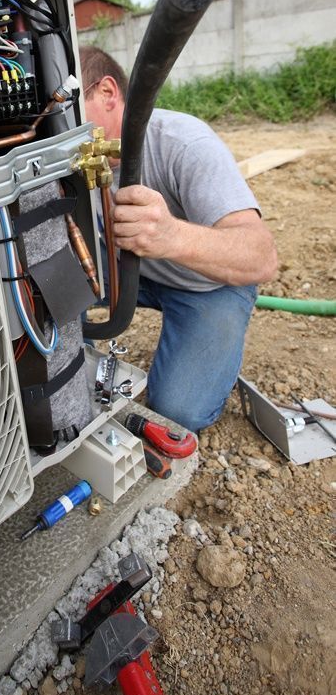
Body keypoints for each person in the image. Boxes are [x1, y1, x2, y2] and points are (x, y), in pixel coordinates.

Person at [80, 45, 278, 432]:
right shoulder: (71, 154)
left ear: (107, 93)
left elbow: (262, 257)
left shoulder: (183, 142)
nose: (59, 126)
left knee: (177, 411)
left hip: (206, 285)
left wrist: (170, 236)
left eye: (68, 109)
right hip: (124, 270)